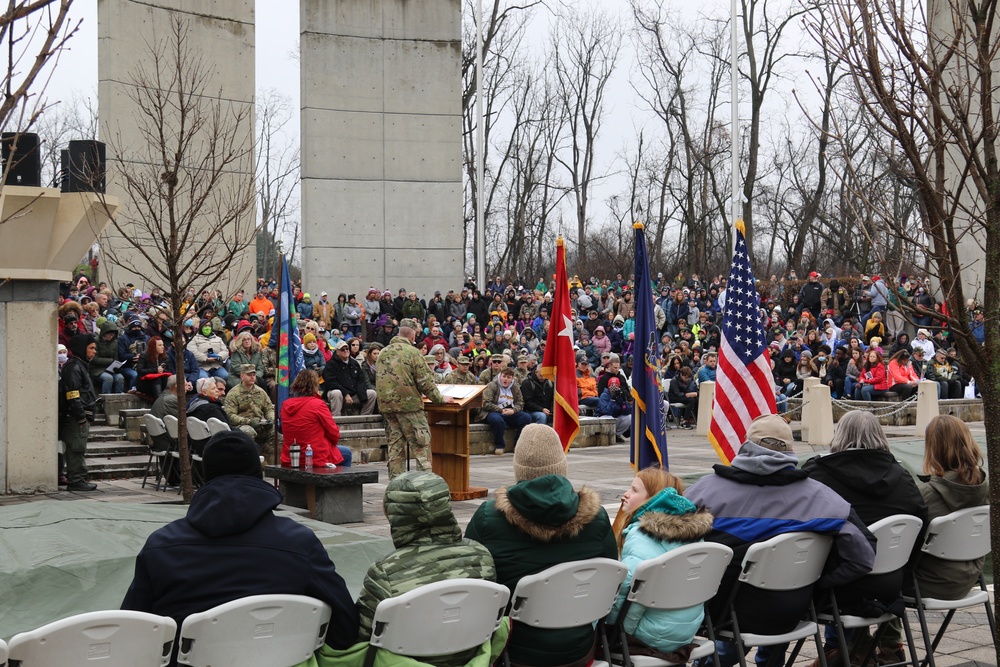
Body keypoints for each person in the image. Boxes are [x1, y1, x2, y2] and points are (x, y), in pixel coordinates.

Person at [121, 430, 359, 666]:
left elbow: (133, 633)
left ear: (205, 474)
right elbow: (345, 628)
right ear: (258, 472)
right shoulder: (300, 542)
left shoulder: (160, 545)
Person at [685, 414, 875, 667]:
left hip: (717, 612)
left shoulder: (702, 491)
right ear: (790, 450)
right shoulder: (824, 498)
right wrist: (819, 582)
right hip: (790, 609)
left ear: (745, 445)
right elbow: (863, 558)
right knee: (779, 591)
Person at [465, 425, 617, 667]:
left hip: (512, 648)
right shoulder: (596, 518)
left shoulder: (488, 517)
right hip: (577, 647)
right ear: (562, 466)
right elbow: (611, 577)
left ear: (518, 468)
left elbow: (472, 583)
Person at [801, 411, 928, 666]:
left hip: (838, 586)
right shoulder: (902, 475)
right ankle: (856, 650)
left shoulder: (817, 474)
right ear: (879, 435)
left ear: (839, 435)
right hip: (889, 583)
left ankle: (840, 650)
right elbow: (921, 523)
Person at [355, 471, 496, 667]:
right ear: (445, 505)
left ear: (395, 514)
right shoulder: (482, 555)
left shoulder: (384, 571)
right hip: (471, 660)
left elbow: (364, 639)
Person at [608, 468, 714, 661]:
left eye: (634, 490)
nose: (626, 494)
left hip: (646, 637)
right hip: (684, 633)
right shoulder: (695, 537)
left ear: (652, 499)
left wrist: (612, 631)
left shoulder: (640, 536)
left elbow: (625, 594)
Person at [912, 415, 989, 599]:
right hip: (970, 579)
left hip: (927, 583)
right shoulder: (989, 491)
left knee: (880, 576)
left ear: (932, 448)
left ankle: (887, 629)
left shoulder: (925, 495)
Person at [375, 318, 453, 478]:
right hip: (409, 407)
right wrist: (439, 398)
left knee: (395, 449)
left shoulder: (383, 352)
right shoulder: (413, 353)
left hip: (388, 408)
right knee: (421, 448)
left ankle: (396, 488)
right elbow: (425, 382)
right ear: (412, 336)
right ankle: (426, 487)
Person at [280, 369, 352, 468]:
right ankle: (341, 483)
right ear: (315, 385)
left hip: (291, 456)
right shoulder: (318, 404)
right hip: (315, 456)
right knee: (347, 453)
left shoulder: (285, 405)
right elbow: (334, 433)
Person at [59, 334, 99, 491]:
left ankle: (78, 477)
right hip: (76, 418)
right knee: (76, 448)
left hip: (80, 416)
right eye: (91, 348)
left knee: (78, 447)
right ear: (82, 348)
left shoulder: (80, 365)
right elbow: (72, 394)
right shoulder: (74, 367)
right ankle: (76, 480)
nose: (94, 352)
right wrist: (81, 415)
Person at [224, 365, 275, 457]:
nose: (252, 377)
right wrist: (248, 421)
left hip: (260, 424)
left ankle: (272, 465)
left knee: (275, 433)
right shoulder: (233, 394)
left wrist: (270, 419)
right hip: (241, 426)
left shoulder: (260, 392)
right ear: (242, 376)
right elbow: (230, 416)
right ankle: (250, 462)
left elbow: (269, 408)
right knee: (249, 432)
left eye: (254, 375)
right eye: (249, 375)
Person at [481, 366, 534, 455]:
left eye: (508, 377)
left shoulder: (515, 387)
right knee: (497, 420)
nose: (505, 379)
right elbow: (485, 403)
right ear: (500, 376)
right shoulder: (492, 386)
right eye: (504, 376)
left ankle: (517, 445)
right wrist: (500, 410)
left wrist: (514, 410)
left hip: (511, 412)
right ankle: (500, 445)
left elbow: (520, 402)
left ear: (512, 379)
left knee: (527, 418)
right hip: (495, 411)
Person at [323, 340, 377, 416]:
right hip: (338, 394)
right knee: (336, 393)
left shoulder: (354, 363)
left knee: (372, 393)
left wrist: (362, 396)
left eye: (347, 349)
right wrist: (345, 394)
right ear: (337, 352)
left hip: (354, 394)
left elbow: (360, 380)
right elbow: (331, 382)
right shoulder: (331, 365)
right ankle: (336, 418)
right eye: (342, 349)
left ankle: (365, 416)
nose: (345, 351)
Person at [90, 320, 125, 394]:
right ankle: (106, 398)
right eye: (109, 334)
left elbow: (116, 358)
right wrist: (111, 361)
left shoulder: (115, 343)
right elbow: (94, 359)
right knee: (108, 378)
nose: (111, 336)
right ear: (104, 333)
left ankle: (119, 397)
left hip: (111, 369)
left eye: (113, 334)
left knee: (120, 377)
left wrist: (117, 366)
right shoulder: (96, 341)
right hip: (97, 369)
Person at [597, 376, 631, 442]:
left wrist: (624, 401)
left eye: (616, 385)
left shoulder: (620, 394)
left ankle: (617, 435)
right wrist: (612, 400)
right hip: (603, 416)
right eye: (611, 385)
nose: (613, 387)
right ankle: (608, 435)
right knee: (609, 417)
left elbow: (627, 411)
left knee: (629, 417)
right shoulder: (604, 395)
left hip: (616, 417)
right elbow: (606, 411)